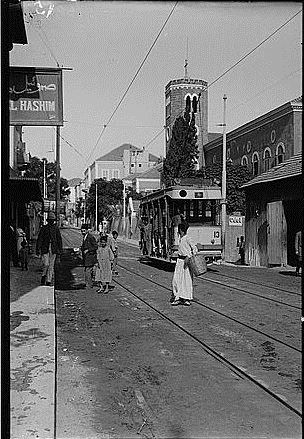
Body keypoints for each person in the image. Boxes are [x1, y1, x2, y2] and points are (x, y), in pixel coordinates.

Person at [171, 222, 198, 306]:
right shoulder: (181, 238)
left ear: (181, 230)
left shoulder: (187, 238)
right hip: (179, 261)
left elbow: (195, 249)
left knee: (187, 280)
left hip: (186, 262)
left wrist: (188, 256)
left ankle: (186, 298)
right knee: (176, 280)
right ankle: (177, 297)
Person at [36, 211, 62, 286]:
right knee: (46, 264)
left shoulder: (56, 229)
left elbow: (59, 239)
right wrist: (38, 249)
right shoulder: (44, 228)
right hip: (45, 248)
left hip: (53, 249)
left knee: (51, 265)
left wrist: (60, 250)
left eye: (52, 220)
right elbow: (40, 239)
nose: (51, 221)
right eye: (50, 220)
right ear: (48, 221)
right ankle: (44, 275)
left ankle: (48, 280)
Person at [81, 223, 98, 288]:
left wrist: (88, 250)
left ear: (87, 230)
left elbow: (95, 246)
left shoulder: (90, 237)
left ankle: (88, 284)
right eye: (82, 231)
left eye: (84, 231)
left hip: (90, 257)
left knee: (88, 270)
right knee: (87, 270)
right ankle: (88, 283)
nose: (83, 232)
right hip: (86, 257)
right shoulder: (84, 237)